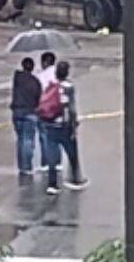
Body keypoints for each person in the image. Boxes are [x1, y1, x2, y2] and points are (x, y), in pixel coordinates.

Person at [38, 61, 87, 194]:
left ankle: (52, 184)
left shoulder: (51, 86)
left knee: (52, 155)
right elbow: (71, 108)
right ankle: (75, 179)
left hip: (50, 124)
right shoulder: (68, 87)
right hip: (64, 126)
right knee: (72, 153)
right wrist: (73, 124)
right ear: (67, 72)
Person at [10, 57, 42, 175]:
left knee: (20, 140)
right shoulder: (35, 82)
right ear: (32, 68)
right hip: (30, 112)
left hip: (17, 112)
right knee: (28, 140)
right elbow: (39, 99)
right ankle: (27, 166)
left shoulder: (17, 78)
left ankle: (21, 166)